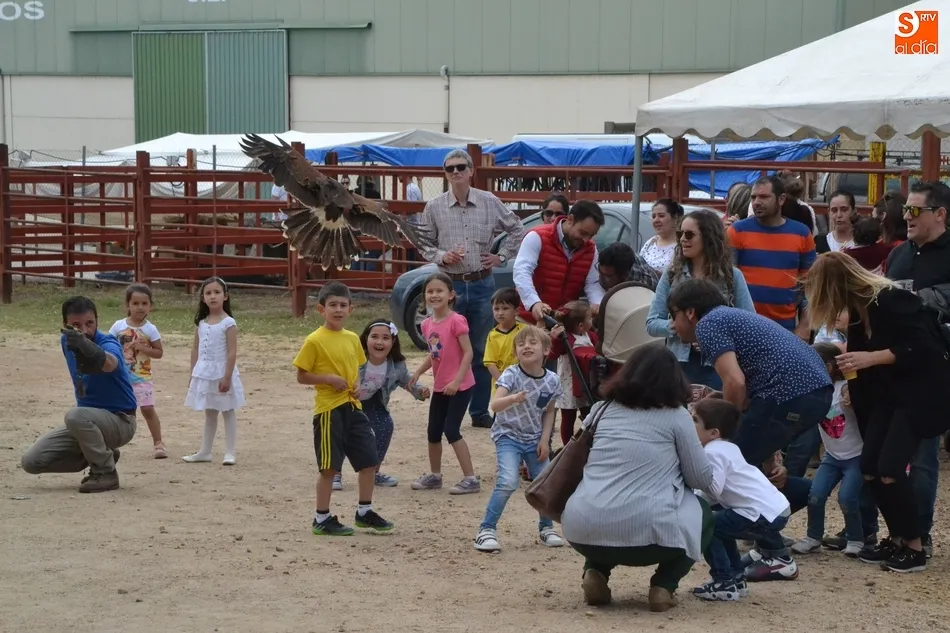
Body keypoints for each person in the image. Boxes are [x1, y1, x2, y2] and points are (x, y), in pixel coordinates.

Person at [805, 251, 950, 572]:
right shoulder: (858, 316)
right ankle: (896, 537)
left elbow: (923, 347)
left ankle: (914, 545)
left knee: (891, 468)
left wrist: (871, 359)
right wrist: (853, 394)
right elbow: (857, 363)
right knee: (870, 466)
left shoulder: (892, 299)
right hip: (887, 396)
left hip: (920, 393)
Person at [560, 345, 714, 612]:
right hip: (652, 538)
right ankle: (664, 585)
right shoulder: (677, 416)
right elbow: (701, 478)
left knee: (607, 506)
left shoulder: (601, 409)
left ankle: (595, 570)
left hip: (581, 529)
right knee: (704, 513)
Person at [666, 278, 833, 475]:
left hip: (790, 392)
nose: (671, 325)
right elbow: (748, 396)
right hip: (818, 390)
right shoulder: (730, 317)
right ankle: (786, 494)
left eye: (673, 315)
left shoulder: (707, 324)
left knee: (728, 463)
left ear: (690, 312)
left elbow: (735, 382)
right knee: (758, 468)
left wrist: (723, 434)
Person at [416, 149, 526, 429]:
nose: (455, 172)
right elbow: (422, 242)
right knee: (442, 349)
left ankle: (479, 412)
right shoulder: (434, 206)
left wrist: (501, 257)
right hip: (448, 286)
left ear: (471, 170)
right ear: (444, 173)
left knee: (478, 348)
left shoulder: (489, 201)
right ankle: (445, 408)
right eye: (449, 168)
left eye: (460, 167)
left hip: (481, 283)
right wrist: (442, 256)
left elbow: (517, 228)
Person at [880, 181, 950, 559]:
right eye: (904, 209)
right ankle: (898, 535)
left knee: (923, 457)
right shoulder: (898, 256)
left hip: (936, 371)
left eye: (914, 210)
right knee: (890, 456)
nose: (905, 216)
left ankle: (918, 535)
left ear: (939, 214)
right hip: (895, 367)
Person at [294, 282, 394, 536]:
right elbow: (302, 376)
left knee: (369, 461)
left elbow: (358, 368)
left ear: (351, 308)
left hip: (353, 407)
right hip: (329, 410)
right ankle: (322, 517)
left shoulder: (351, 339)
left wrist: (358, 385)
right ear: (321, 309)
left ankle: (364, 511)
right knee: (329, 467)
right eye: (332, 305)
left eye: (342, 305)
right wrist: (328, 379)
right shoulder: (314, 340)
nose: (338, 310)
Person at [21, 296, 137, 493]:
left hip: (121, 421)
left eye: (90, 323)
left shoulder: (107, 342)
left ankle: (105, 472)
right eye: (76, 325)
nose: (84, 330)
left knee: (74, 415)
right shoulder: (66, 341)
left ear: (97, 321)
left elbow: (110, 363)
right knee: (31, 462)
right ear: (64, 324)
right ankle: (102, 455)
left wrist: (86, 345)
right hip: (89, 424)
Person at [691, 398, 795, 601]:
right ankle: (736, 578)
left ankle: (724, 581)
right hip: (775, 509)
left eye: (695, 420)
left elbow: (714, 488)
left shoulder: (712, 452)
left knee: (707, 525)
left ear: (713, 433)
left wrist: (694, 482)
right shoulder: (728, 447)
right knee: (721, 526)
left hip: (761, 514)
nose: (689, 423)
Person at [474, 326, 564, 552]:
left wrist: (544, 440)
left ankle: (546, 528)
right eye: (521, 344)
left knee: (544, 484)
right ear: (516, 351)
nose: (526, 346)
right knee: (508, 481)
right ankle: (486, 531)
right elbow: (495, 405)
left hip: (534, 439)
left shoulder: (552, 380)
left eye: (532, 342)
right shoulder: (511, 374)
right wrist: (512, 398)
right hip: (508, 436)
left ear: (546, 350)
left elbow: (550, 412)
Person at [646, 209, 755, 388]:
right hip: (678, 365)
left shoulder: (731, 276)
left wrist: (715, 337)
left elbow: (748, 324)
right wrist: (677, 327)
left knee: (713, 414)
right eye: (680, 233)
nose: (682, 239)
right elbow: (651, 323)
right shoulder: (672, 274)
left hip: (718, 366)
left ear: (708, 237)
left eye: (689, 235)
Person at [408, 273, 481, 494]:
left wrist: (457, 381)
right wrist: (419, 371)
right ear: (425, 297)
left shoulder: (457, 321)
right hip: (441, 386)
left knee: (452, 430)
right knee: (433, 431)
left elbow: (468, 353)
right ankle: (435, 476)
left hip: (460, 386)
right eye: (430, 291)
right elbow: (434, 354)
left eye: (439, 291)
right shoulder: (427, 324)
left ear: (451, 295)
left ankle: (471, 479)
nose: (434, 295)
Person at [791, 342, 865, 557]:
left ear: (829, 366)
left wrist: (853, 398)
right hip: (832, 456)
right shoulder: (815, 391)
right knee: (815, 495)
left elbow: (855, 398)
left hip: (856, 455)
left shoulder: (844, 388)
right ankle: (813, 536)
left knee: (847, 497)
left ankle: (856, 538)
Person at [727, 175, 816, 339]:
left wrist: (805, 325)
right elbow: (727, 282)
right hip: (744, 326)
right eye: (753, 197)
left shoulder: (802, 233)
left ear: (781, 199)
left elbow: (810, 285)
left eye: (764, 197)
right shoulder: (736, 231)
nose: (756, 202)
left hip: (786, 330)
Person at [355, 320, 431, 488]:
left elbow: (407, 382)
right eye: (374, 337)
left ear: (393, 341)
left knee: (385, 426)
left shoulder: (396, 365)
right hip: (348, 402)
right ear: (366, 339)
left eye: (385, 337)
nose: (379, 342)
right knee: (342, 432)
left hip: (373, 402)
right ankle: (335, 473)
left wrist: (420, 391)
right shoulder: (356, 358)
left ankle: (374, 472)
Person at [181, 277, 245, 466]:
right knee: (210, 412)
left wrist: (227, 376)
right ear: (202, 298)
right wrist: (193, 373)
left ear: (225, 296)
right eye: (208, 293)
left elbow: (232, 351)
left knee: (227, 410)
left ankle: (230, 452)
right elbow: (195, 348)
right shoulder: (201, 322)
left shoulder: (229, 322)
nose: (213, 296)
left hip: (222, 372)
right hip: (204, 372)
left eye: (217, 292)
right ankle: (205, 451)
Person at [513, 199, 606, 325]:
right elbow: (522, 271)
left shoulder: (590, 248)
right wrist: (534, 303)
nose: (586, 240)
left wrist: (597, 303)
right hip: (529, 320)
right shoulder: (537, 236)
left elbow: (593, 283)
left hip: (565, 323)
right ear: (570, 220)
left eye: (591, 236)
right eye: (583, 233)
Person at [109, 283, 166, 459]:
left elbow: (159, 353)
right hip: (121, 378)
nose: (140, 307)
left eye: (144, 303)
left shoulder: (150, 329)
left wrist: (145, 349)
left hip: (142, 377)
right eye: (135, 303)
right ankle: (109, 445)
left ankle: (158, 443)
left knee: (148, 408)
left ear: (150, 306)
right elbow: (108, 345)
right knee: (121, 412)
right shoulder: (118, 326)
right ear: (127, 305)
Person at [548, 301, 599, 446]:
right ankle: (567, 446)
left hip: (586, 380)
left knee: (589, 413)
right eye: (589, 318)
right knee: (568, 417)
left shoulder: (591, 335)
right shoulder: (566, 337)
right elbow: (552, 355)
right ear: (580, 325)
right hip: (569, 384)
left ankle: (589, 442)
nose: (592, 321)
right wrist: (554, 339)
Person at [483, 287, 526, 395]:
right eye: (496, 309)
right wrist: (504, 383)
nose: (500, 313)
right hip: (501, 387)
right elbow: (490, 363)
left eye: (505, 308)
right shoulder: (493, 335)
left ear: (516, 310)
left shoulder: (525, 331)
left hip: (524, 384)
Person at [639, 198, 683, 273]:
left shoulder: (682, 245)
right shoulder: (650, 242)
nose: (656, 220)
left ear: (675, 218)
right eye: (653, 216)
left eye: (661, 216)